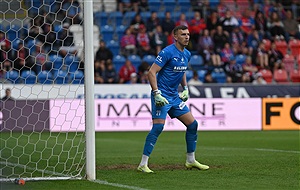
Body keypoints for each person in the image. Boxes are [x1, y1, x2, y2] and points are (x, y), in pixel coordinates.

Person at [137, 25, 209, 173]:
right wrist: (156, 93)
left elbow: (182, 71)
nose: (187, 37)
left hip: (175, 97)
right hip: (162, 95)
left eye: (188, 34)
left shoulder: (187, 54)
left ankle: (190, 160)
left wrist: (185, 88)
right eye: (183, 34)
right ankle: (143, 164)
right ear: (175, 37)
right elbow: (151, 72)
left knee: (193, 124)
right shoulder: (167, 52)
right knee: (158, 127)